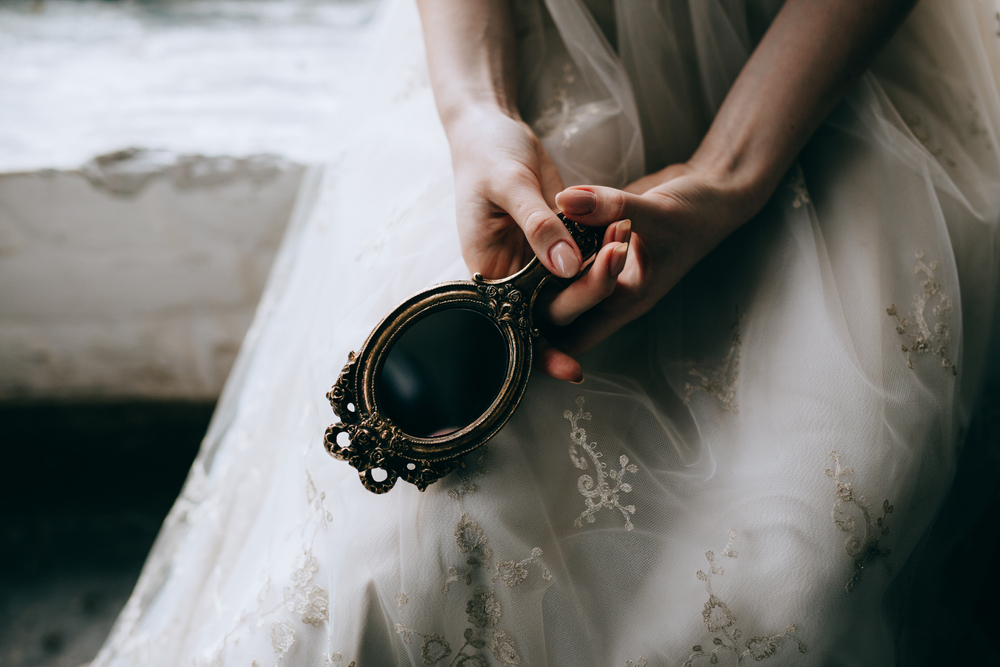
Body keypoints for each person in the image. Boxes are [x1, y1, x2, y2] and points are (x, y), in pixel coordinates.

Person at [92, 0, 1000, 665]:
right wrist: (474, 114)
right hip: (510, 61)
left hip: (819, 79)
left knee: (784, 570)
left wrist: (726, 178)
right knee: (399, 560)